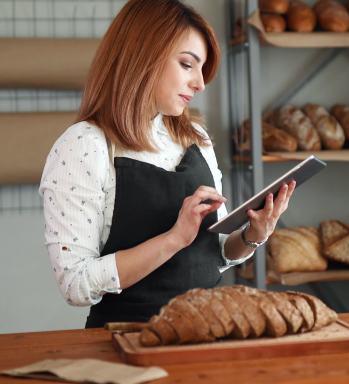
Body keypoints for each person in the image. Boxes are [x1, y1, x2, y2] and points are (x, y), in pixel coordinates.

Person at [39, 0, 295, 328]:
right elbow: (75, 285)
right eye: (188, 65)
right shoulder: (84, 146)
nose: (200, 84)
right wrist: (172, 239)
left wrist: (251, 236)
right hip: (126, 341)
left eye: (202, 69)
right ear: (143, 56)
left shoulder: (197, 138)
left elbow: (212, 256)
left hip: (209, 331)